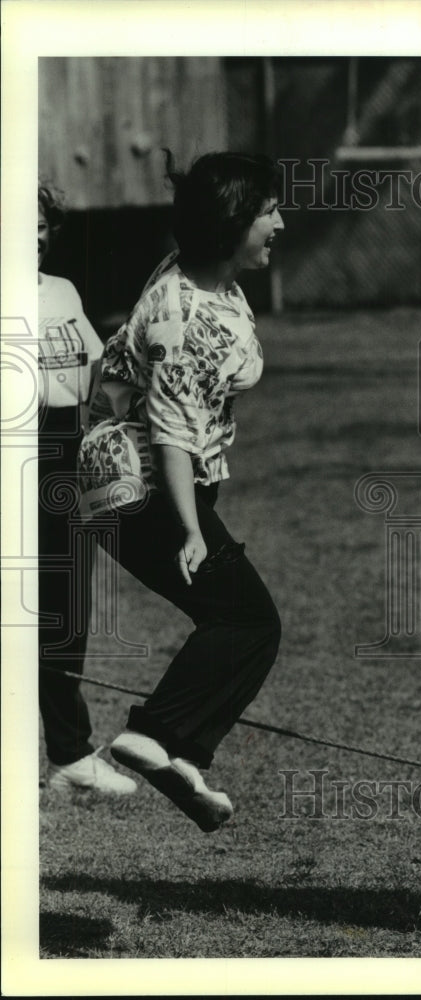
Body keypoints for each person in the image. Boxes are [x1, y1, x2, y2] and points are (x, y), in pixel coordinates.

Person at [77, 152, 284, 832]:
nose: (280, 223)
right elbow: (170, 430)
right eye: (267, 213)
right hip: (148, 497)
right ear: (232, 225)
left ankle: (177, 747)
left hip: (138, 489)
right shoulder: (190, 317)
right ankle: (162, 736)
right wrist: (191, 529)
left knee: (231, 618)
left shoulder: (191, 276)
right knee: (247, 620)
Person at [38, 182, 138, 796]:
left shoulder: (63, 291)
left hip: (66, 454)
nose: (34, 231)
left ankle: (69, 756)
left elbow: (98, 369)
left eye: (42, 220)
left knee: (66, 607)